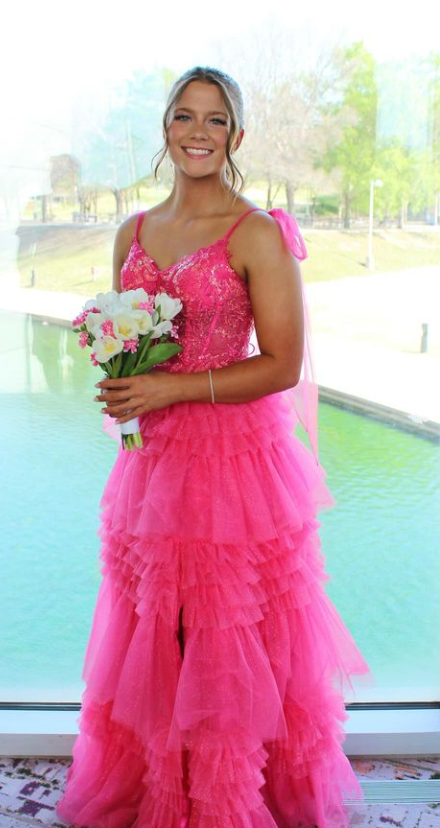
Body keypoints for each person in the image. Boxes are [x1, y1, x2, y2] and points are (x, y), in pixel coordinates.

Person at [56, 65, 373, 828]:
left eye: (216, 120)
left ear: (237, 135)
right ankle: (164, 792)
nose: (198, 133)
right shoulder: (129, 232)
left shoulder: (255, 232)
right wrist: (125, 378)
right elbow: (130, 339)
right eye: (184, 116)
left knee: (226, 639)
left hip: (233, 465)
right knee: (156, 632)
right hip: (153, 462)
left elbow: (281, 365)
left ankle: (232, 805)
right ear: (165, 127)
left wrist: (172, 389)